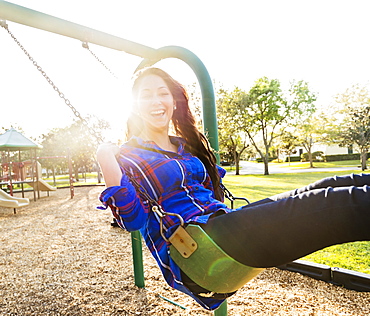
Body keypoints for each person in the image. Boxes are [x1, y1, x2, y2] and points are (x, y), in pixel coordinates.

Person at [97, 67, 370, 311]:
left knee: (335, 185)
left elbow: (210, 193)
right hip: (198, 252)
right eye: (146, 95)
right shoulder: (128, 157)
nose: (156, 101)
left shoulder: (184, 147)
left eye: (163, 93)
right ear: (134, 105)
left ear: (173, 100)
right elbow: (132, 221)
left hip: (221, 226)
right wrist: (104, 157)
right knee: (340, 204)